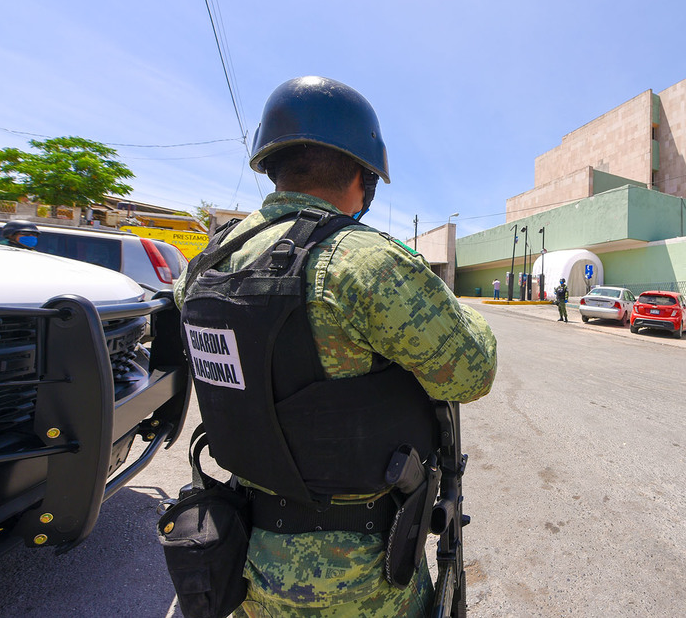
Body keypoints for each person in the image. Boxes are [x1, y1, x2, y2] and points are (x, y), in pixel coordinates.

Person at [174, 76, 497, 618]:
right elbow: (472, 371)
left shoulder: (205, 264)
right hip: (359, 578)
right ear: (362, 177)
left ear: (273, 165)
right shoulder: (362, 261)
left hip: (242, 556)